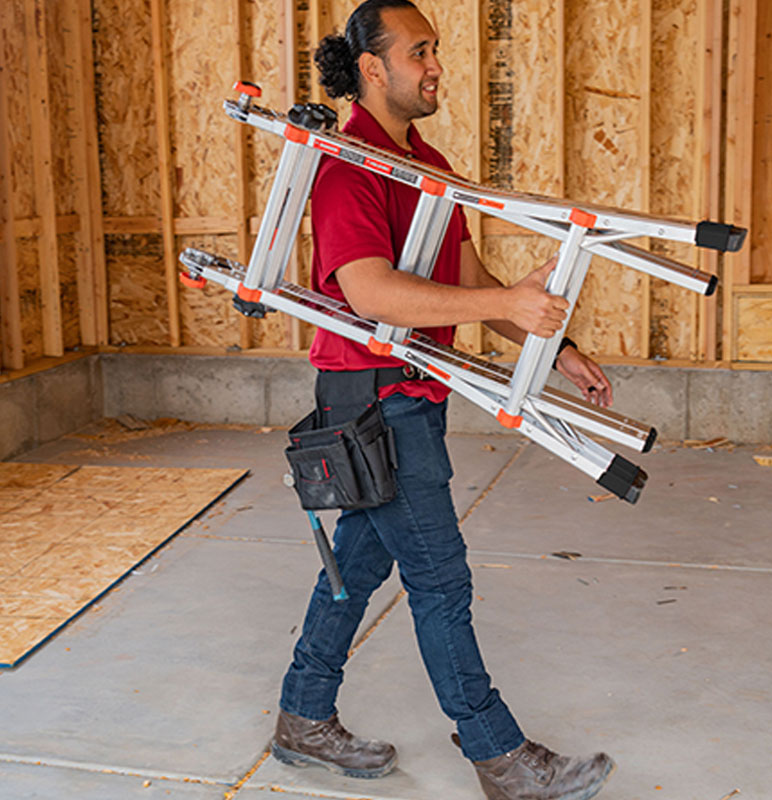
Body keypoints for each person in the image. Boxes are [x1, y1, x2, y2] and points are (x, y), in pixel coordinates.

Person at [272, 2, 616, 798]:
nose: (435, 66)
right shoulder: (350, 163)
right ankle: (500, 757)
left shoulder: (429, 165)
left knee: (358, 568)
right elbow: (371, 293)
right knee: (440, 579)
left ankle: (301, 715)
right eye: (419, 51)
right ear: (372, 67)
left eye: (436, 51)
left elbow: (468, 287)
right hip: (370, 398)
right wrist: (504, 310)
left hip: (414, 393)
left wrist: (549, 343)